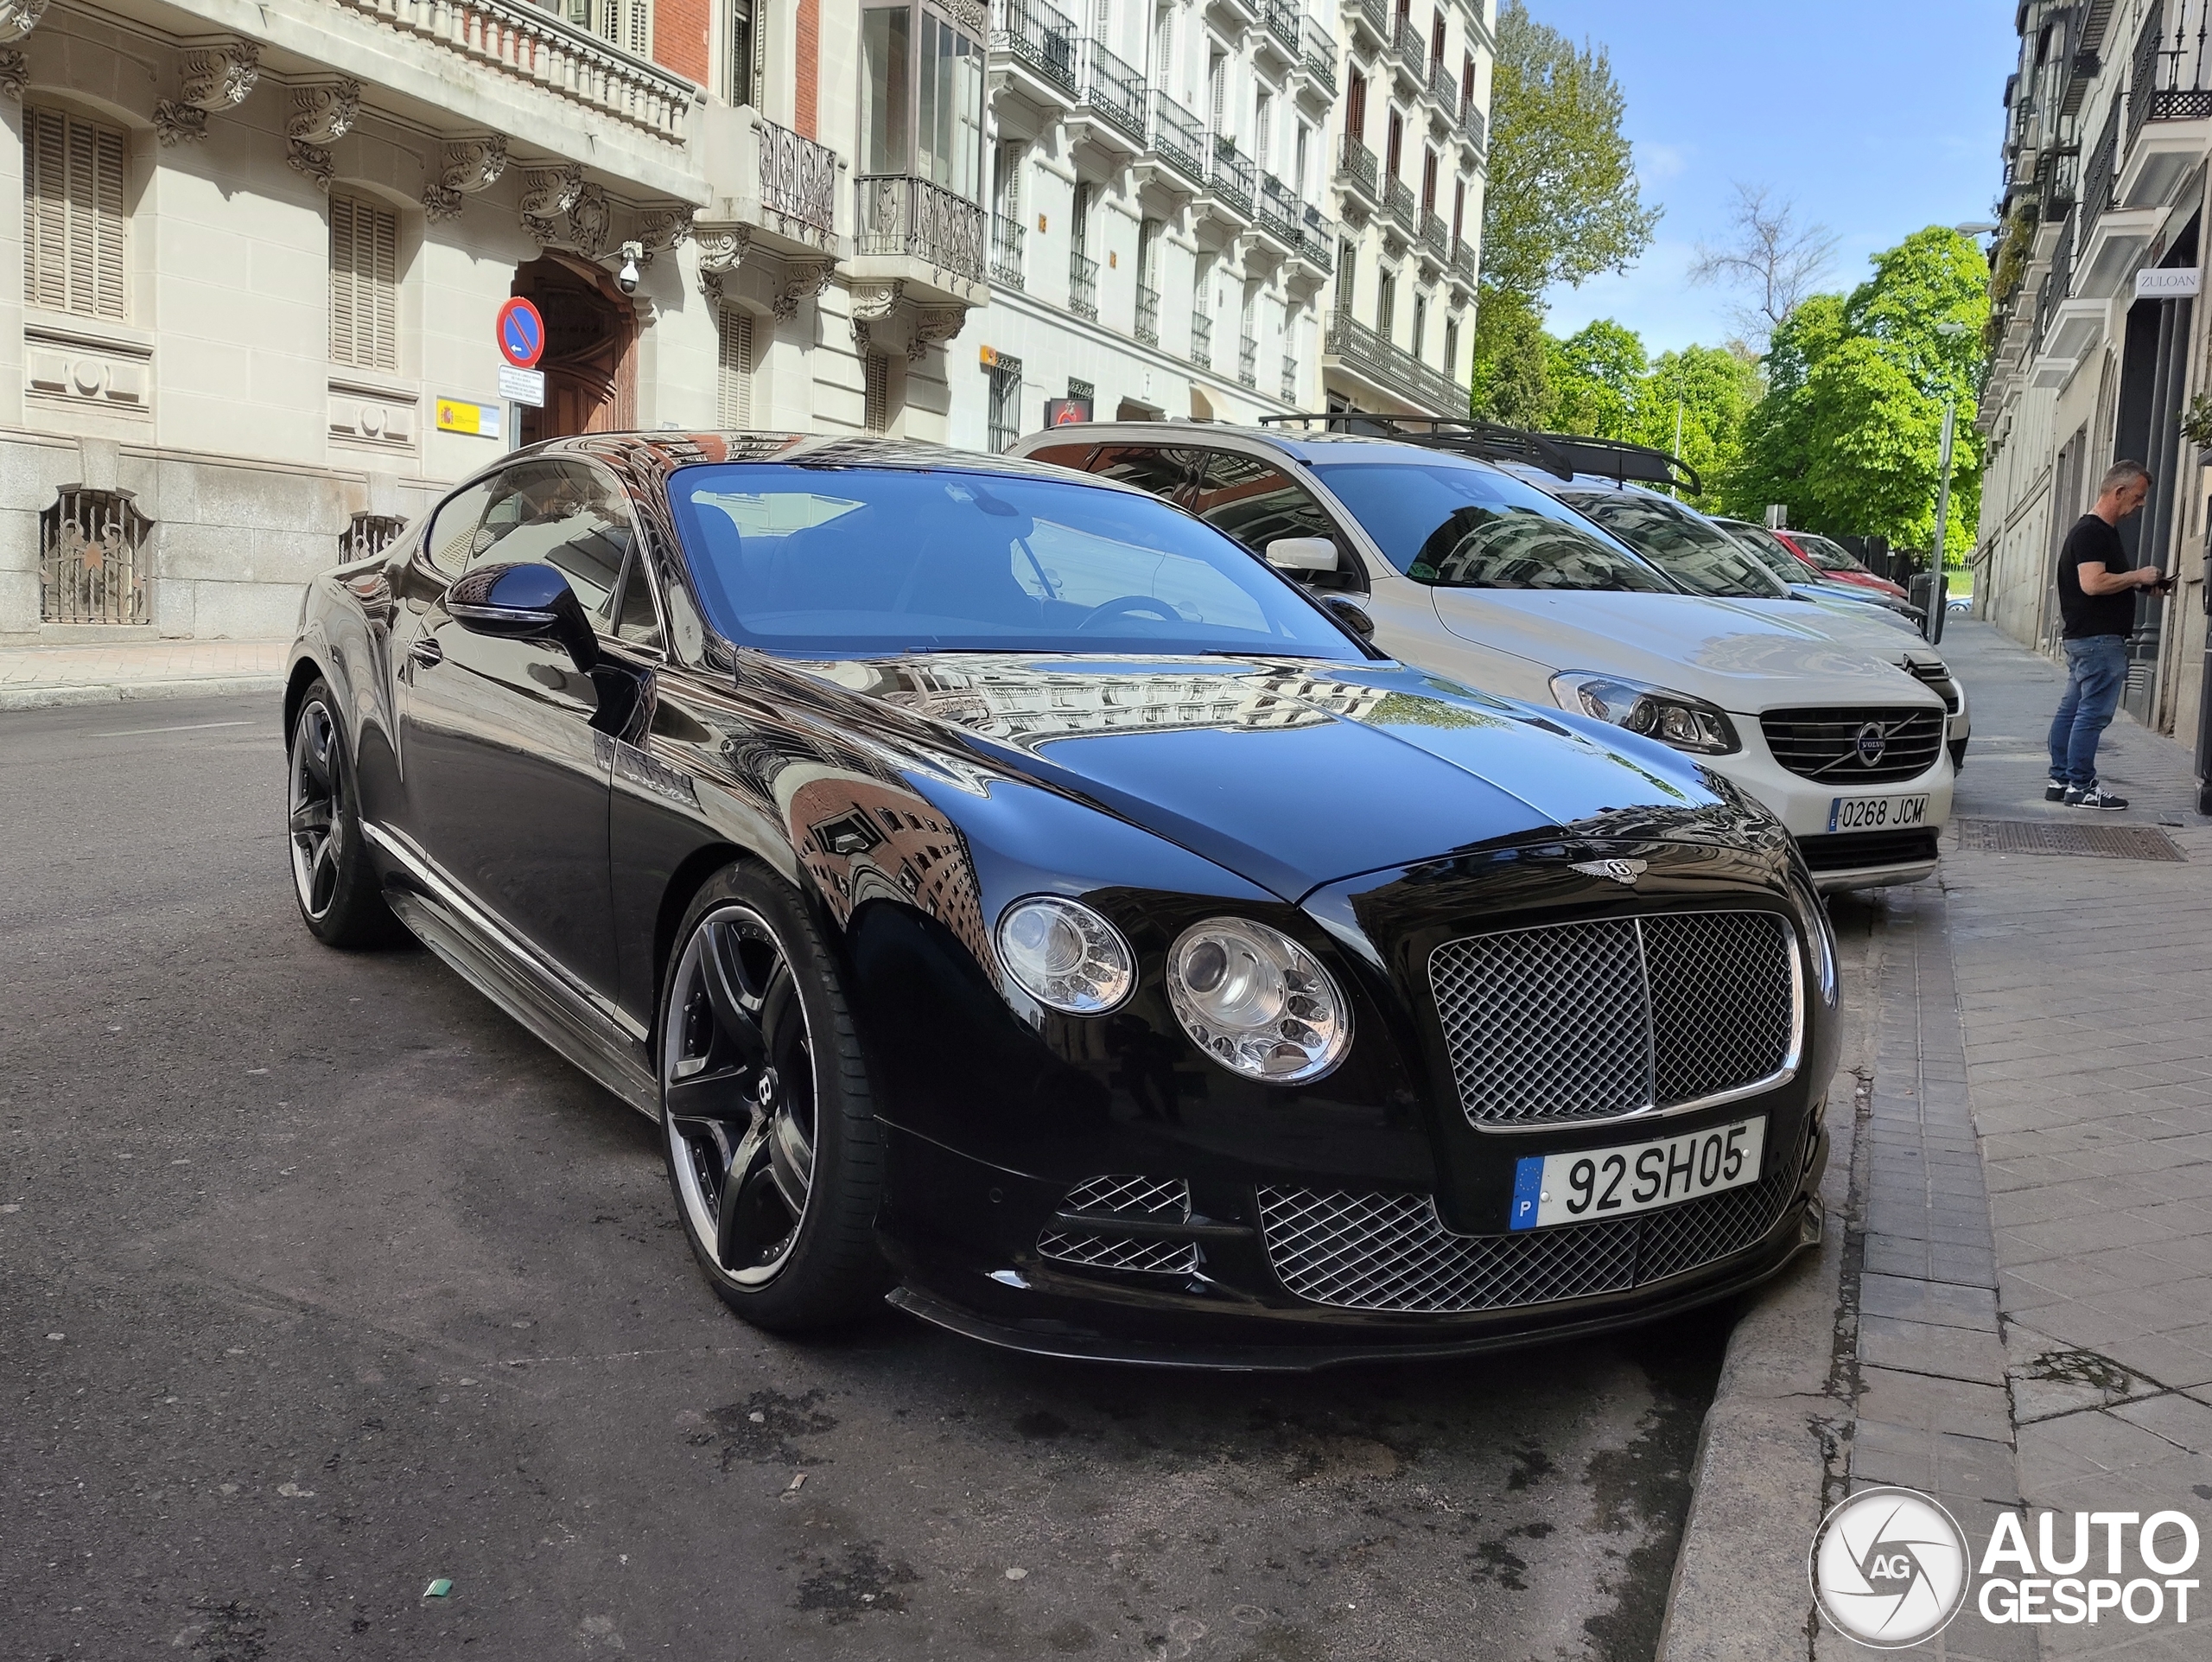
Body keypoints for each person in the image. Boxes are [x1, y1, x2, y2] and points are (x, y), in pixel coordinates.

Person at [2047, 461, 2168, 811]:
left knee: (2072, 710)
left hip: (2086, 639)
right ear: (2119, 491)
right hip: (2098, 641)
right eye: (2138, 496)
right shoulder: (2093, 532)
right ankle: (2081, 786)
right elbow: (2092, 583)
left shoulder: (2095, 531)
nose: (2141, 504)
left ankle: (2061, 780)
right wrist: (2136, 576)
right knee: (2092, 714)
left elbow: (2103, 581)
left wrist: (2139, 585)